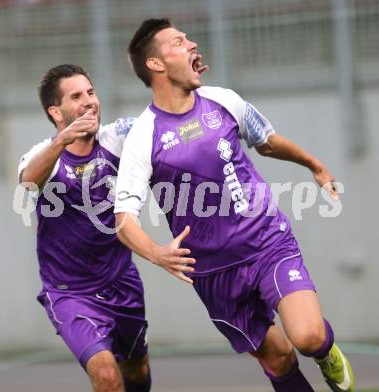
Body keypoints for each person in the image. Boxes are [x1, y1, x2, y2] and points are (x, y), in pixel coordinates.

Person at [114, 18, 355, 392]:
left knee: (307, 337)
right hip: (214, 272)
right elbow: (123, 219)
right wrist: (157, 254)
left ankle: (326, 352)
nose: (193, 44)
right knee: (277, 356)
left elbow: (267, 140)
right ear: (156, 64)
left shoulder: (223, 100)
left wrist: (315, 164)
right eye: (179, 42)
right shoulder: (144, 136)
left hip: (266, 244)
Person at [18, 64, 151, 392]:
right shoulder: (43, 156)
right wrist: (62, 141)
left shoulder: (117, 138)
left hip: (122, 283)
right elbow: (28, 182)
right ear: (56, 112)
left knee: (136, 370)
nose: (89, 101)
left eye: (91, 92)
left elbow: (157, 127)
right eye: (76, 96)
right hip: (70, 293)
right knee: (106, 375)